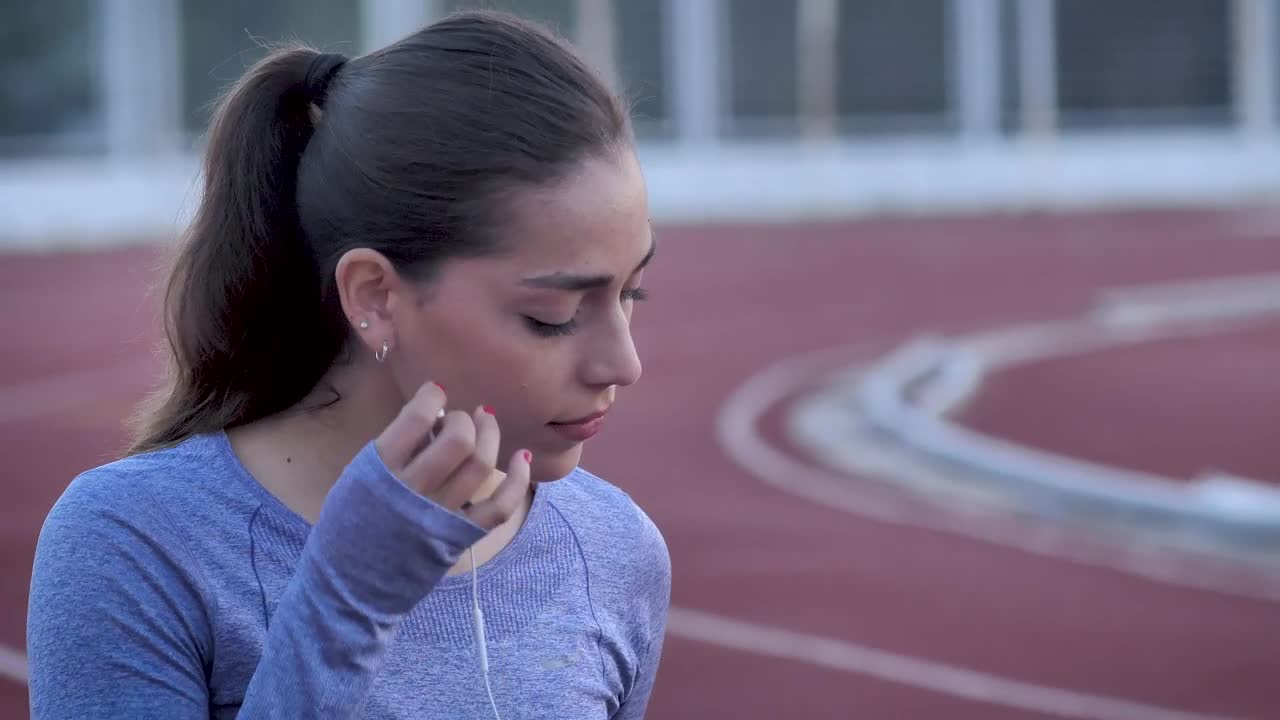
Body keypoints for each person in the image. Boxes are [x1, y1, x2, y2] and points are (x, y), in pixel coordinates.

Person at [26, 10, 670, 719]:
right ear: (375, 296)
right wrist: (348, 602)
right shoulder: (135, 542)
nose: (624, 363)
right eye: (553, 315)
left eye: (632, 292)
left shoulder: (614, 549)